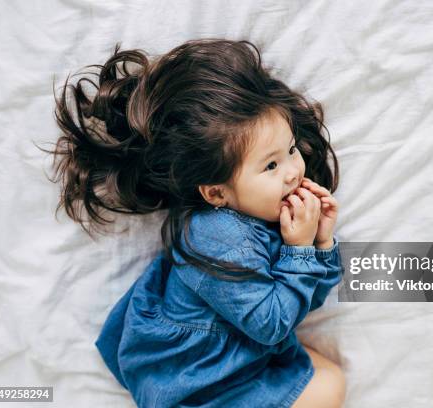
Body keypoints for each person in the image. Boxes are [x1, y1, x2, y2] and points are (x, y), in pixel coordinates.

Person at [44, 39, 346, 407]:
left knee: (324, 373)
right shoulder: (215, 236)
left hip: (241, 359)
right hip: (196, 382)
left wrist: (321, 243)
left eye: (292, 150)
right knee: (328, 385)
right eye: (271, 165)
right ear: (217, 193)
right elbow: (273, 323)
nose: (293, 172)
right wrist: (299, 250)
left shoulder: (264, 216)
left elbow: (300, 304)